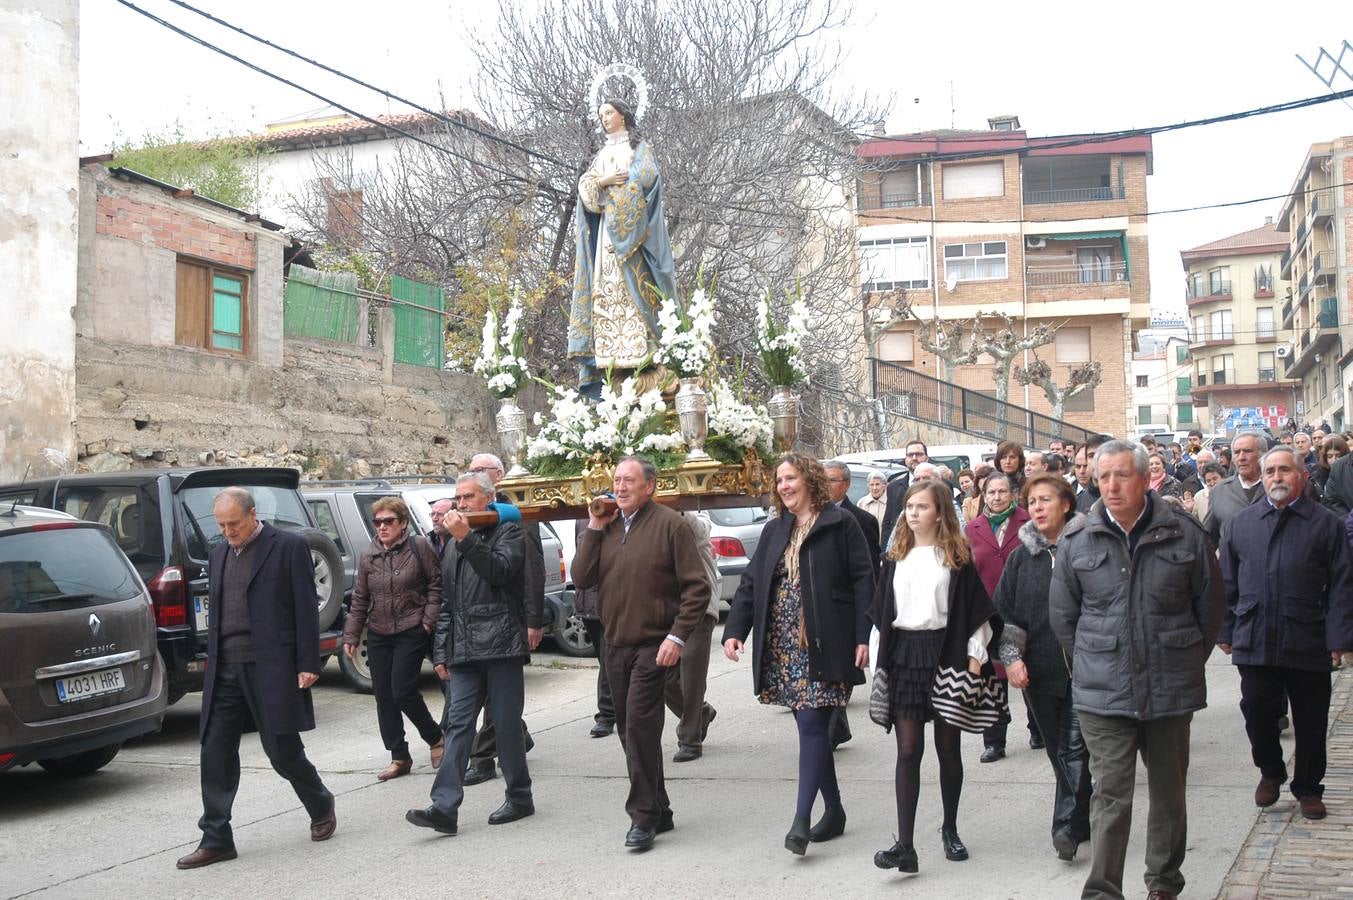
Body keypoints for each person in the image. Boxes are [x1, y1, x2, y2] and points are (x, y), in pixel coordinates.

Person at [1050, 440, 1225, 900]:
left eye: (1122, 475)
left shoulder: (1184, 534)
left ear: (1146, 479)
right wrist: (1098, 661)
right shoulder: (1076, 539)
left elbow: (1209, 611)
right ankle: (1103, 890)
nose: (1110, 485)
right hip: (1102, 692)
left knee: (1169, 795)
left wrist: (1180, 658)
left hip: (1169, 688)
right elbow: (1064, 620)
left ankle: (1163, 882)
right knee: (1110, 797)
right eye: (1103, 476)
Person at [176, 488, 335, 869]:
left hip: (272, 665)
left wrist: (308, 661)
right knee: (214, 752)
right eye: (221, 525)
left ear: (252, 514)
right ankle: (216, 837)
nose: (228, 531)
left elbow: (305, 608)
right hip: (225, 667)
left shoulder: (288, 546)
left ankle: (320, 802)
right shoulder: (218, 555)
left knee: (282, 752)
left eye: (233, 523)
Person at [723, 453, 873, 855]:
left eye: (790, 478)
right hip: (783, 643)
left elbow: (864, 581)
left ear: (808, 480)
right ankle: (835, 810)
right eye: (779, 481)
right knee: (812, 728)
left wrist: (863, 636)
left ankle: (801, 820)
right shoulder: (776, 529)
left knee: (811, 725)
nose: (784, 486)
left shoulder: (841, 524)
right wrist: (735, 631)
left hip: (824, 642)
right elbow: (752, 583)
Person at [572, 456, 711, 850]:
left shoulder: (671, 525)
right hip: (615, 645)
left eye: (628, 480)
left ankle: (643, 817)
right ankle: (660, 808)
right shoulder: (607, 526)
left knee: (639, 728)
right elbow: (582, 578)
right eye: (616, 480)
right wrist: (595, 530)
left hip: (654, 645)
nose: (620, 487)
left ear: (649, 486)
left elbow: (697, 588)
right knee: (628, 729)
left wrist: (677, 637)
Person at [868, 481, 1001, 874]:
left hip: (946, 653)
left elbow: (975, 615)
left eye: (921, 507)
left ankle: (950, 828)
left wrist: (975, 662)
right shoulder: (895, 556)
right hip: (905, 656)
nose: (912, 513)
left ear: (939, 512)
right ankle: (905, 845)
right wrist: (878, 662)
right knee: (908, 749)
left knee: (948, 747)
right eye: (909, 506)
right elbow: (881, 614)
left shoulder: (955, 558)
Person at [1219, 446, 1353, 821]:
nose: (1276, 477)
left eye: (1285, 471)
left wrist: (1340, 638)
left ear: (1303, 477)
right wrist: (1225, 629)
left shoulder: (1325, 524)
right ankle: (1271, 769)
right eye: (1270, 472)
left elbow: (1344, 583)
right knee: (1256, 711)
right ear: (1262, 478)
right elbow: (1226, 583)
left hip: (1307, 635)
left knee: (1311, 719)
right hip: (1254, 633)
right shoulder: (1241, 524)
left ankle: (1309, 787)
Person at [407, 472, 533, 834]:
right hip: (464, 649)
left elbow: (501, 572)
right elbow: (448, 602)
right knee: (458, 725)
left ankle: (520, 796)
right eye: (458, 498)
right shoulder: (451, 543)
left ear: (488, 498)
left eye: (468, 497)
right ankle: (444, 806)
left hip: (501, 643)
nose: (460, 504)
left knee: (506, 726)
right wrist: (442, 651)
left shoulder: (508, 531)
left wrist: (466, 539)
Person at [993, 474, 1091, 861]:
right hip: (1040, 672)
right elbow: (1007, 615)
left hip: (1088, 670)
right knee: (1058, 751)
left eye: (1045, 499)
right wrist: (1012, 660)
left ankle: (1065, 829)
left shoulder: (1089, 547)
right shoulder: (1021, 558)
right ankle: (1083, 810)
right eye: (1032, 501)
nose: (1037, 507)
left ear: (1066, 504)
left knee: (1074, 750)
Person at [567, 98, 677, 395]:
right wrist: (603, 181)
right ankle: (611, 360)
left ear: (623, 116)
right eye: (601, 114)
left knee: (636, 290)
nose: (604, 119)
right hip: (606, 238)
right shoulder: (601, 153)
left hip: (632, 240)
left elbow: (647, 178)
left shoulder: (640, 149)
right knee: (606, 287)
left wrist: (622, 189)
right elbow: (586, 188)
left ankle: (648, 359)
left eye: (609, 113)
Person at [343, 496, 444, 782]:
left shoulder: (419, 547)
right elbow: (360, 598)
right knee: (384, 696)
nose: (382, 527)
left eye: (389, 521)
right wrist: (351, 634)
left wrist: (427, 622)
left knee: (402, 691)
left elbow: (437, 585)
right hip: (378, 631)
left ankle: (436, 738)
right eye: (378, 522)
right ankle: (399, 756)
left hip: (411, 628)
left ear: (403, 524)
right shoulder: (368, 555)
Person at [464, 453, 542, 787]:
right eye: (470, 471)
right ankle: (514, 737)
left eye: (479, 471)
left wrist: (534, 618)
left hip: (508, 618)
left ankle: (482, 758)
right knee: (497, 702)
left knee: (498, 699)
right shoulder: (469, 519)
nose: (473, 475)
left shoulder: (515, 513)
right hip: (475, 621)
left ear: (498, 475)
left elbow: (531, 569)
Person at [964, 472, 1036, 761]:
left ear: (1012, 494)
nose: (996, 497)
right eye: (991, 492)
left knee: (1030, 672)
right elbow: (966, 572)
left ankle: (1039, 729)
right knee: (991, 680)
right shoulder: (973, 528)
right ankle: (994, 740)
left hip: (1024, 610)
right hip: (987, 614)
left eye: (1002, 492)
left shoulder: (1028, 523)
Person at [663, 512, 720, 762]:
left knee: (691, 677)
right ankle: (700, 713)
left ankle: (690, 739)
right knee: (663, 676)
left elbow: (700, 527)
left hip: (699, 607)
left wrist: (677, 506)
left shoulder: (692, 513)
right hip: (666, 610)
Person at [574, 518, 616, 739]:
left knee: (610, 660)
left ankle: (607, 714)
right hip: (590, 603)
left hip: (614, 602)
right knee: (606, 660)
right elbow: (581, 562)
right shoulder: (583, 520)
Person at [1204, 432, 1267, 546]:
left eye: (1248, 451)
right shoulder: (1219, 492)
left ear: (1263, 455)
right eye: (1237, 452)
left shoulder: (1275, 488)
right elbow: (1207, 541)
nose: (1241, 457)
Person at [826, 460, 881, 569]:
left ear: (846, 484)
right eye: (822, 480)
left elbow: (871, 569)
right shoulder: (811, 516)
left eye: (831, 480)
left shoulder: (864, 521)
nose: (825, 485)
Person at [880, 440, 928, 547]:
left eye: (919, 454)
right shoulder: (893, 487)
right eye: (910, 455)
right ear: (905, 459)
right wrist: (885, 552)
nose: (914, 458)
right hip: (901, 547)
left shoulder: (941, 485)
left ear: (927, 458)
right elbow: (888, 522)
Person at [860, 469, 889, 541]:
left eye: (877, 484)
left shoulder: (890, 502)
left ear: (884, 486)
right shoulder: (862, 502)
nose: (874, 488)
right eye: (871, 485)